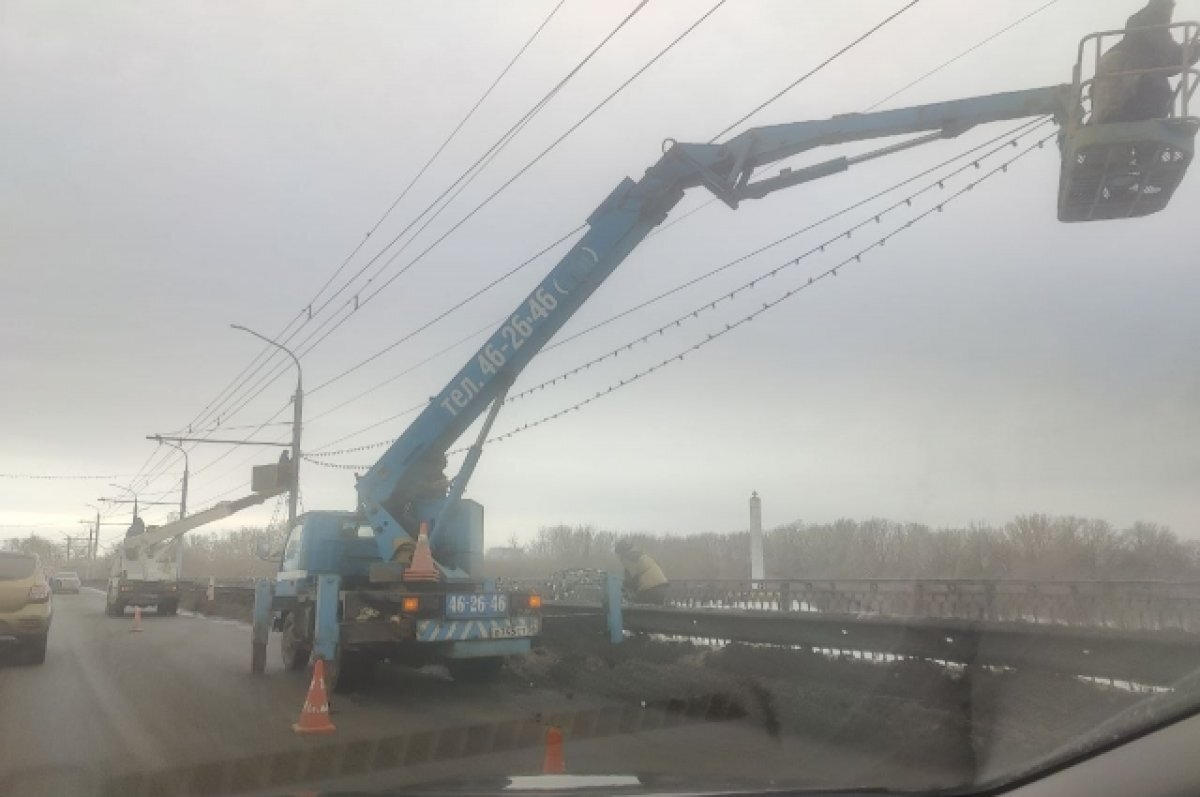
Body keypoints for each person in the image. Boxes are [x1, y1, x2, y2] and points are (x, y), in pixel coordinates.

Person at [1092, 0, 1199, 123]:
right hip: (1121, 73)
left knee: (1157, 86)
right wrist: (1192, 50)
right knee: (1157, 89)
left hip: (1117, 77)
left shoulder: (1145, 20)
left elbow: (1167, 60)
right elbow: (1169, 53)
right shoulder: (1152, 17)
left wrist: (1190, 51)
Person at [615, 539, 669, 605]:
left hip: (650, 588)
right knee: (655, 612)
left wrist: (622, 589)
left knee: (637, 608)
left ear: (620, 553)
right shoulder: (640, 555)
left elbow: (632, 578)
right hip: (663, 586)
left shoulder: (627, 558)